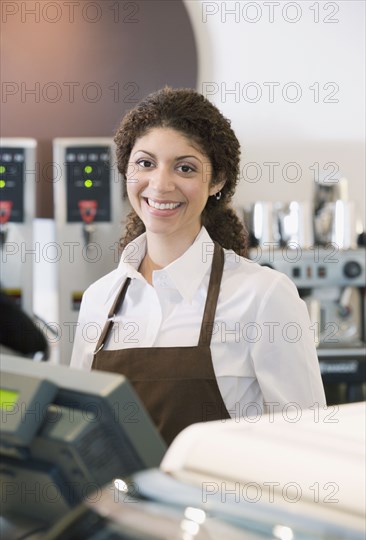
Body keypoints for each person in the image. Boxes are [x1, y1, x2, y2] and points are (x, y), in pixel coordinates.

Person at [70, 87, 326, 445]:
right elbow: (81, 434)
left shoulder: (263, 297)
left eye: (185, 167)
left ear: (216, 181)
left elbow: (308, 443)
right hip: (119, 502)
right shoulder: (100, 299)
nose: (160, 184)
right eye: (145, 163)